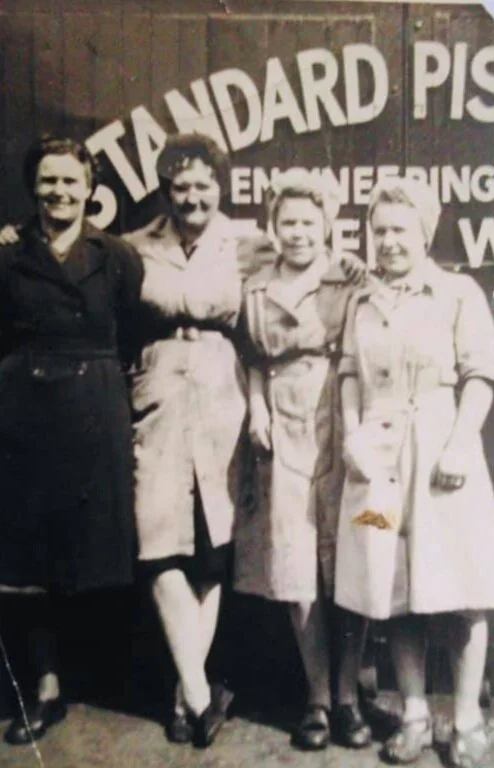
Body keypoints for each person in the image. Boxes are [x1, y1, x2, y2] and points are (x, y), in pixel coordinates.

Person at [334, 177, 494, 766]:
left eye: (399, 230)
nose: (387, 242)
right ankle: (410, 712)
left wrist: (461, 443)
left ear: (424, 233)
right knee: (392, 587)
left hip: (440, 453)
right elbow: (349, 375)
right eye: (378, 231)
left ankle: (464, 718)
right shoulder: (362, 302)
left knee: (461, 590)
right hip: (379, 461)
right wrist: (353, 433)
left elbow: (480, 376)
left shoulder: (458, 293)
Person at [0, 135, 144, 744]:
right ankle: (46, 685)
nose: (59, 192)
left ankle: (114, 682)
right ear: (33, 189)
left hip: (93, 409)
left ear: (91, 190)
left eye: (70, 181)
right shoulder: (5, 257)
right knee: (25, 560)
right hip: (24, 413)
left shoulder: (116, 256)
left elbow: (130, 332)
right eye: (48, 182)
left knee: (96, 548)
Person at [234, 169, 371, 751]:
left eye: (307, 222)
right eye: (286, 222)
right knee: (295, 568)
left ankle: (348, 696)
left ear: (326, 225)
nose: (297, 233)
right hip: (284, 429)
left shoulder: (351, 280)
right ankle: (316, 698)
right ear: (274, 226)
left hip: (345, 423)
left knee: (360, 551)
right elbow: (251, 359)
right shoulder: (256, 289)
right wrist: (256, 407)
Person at [124, 133, 248, 748]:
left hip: (222, 401)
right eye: (181, 185)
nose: (192, 195)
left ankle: (184, 698)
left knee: (211, 549)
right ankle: (200, 693)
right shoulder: (134, 246)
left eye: (203, 184)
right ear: (166, 190)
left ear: (219, 187)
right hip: (159, 400)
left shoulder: (247, 241)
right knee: (156, 545)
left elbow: (315, 261)